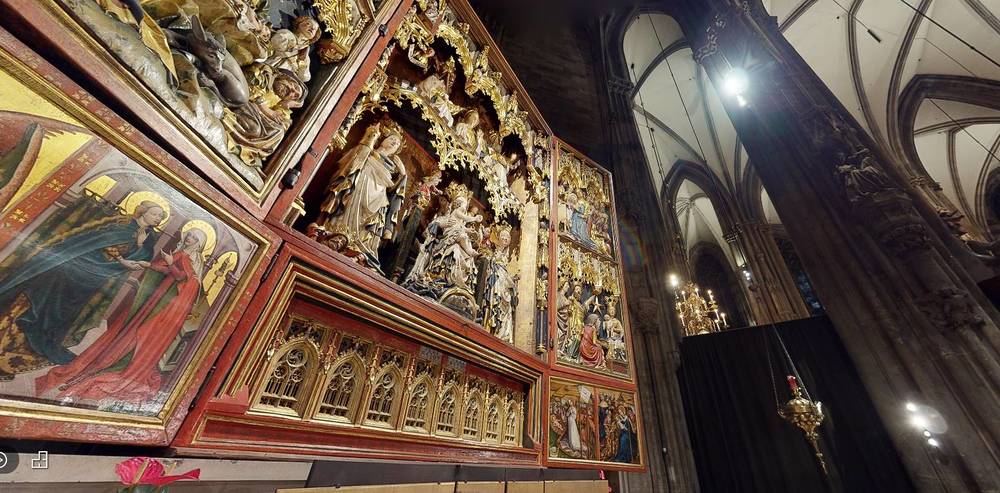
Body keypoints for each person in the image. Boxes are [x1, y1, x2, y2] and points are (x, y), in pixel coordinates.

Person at [36, 228, 207, 407]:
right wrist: (145, 264)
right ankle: (119, 356)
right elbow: (163, 270)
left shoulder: (192, 259)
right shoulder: (181, 252)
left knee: (146, 331)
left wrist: (171, 263)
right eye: (189, 235)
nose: (189, 239)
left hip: (168, 302)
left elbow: (182, 277)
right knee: (136, 327)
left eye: (194, 238)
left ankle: (128, 361)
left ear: (199, 243)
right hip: (161, 295)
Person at [0, 201, 163, 376]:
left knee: (67, 309)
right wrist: (123, 260)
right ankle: (24, 330)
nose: (158, 218)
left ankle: (44, 337)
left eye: (161, 216)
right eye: (155, 213)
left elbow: (145, 257)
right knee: (49, 297)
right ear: (143, 212)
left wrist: (139, 249)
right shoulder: (124, 223)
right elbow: (98, 240)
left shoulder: (149, 237)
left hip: (97, 275)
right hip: (79, 263)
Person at [316, 124, 408, 269]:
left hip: (379, 194)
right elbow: (353, 163)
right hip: (362, 183)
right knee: (351, 204)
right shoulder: (369, 151)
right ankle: (335, 234)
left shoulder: (392, 168)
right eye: (392, 139)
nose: (394, 143)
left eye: (397, 144)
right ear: (382, 139)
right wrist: (370, 138)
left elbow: (393, 192)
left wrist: (403, 174)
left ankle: (362, 249)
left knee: (372, 221)